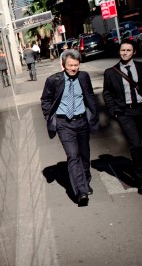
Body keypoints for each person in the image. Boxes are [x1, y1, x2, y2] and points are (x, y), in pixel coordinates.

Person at [40, 48, 99, 206]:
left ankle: (85, 181)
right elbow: (45, 100)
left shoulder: (84, 77)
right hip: (64, 123)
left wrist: (93, 114)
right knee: (73, 156)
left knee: (84, 154)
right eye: (70, 65)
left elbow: (90, 96)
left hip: (82, 122)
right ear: (63, 65)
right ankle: (80, 191)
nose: (73, 68)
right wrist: (50, 117)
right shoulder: (54, 80)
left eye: (76, 65)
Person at [102, 40, 142, 195]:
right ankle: (141, 179)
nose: (125, 53)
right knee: (136, 144)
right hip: (125, 112)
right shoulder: (111, 72)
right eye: (122, 50)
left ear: (134, 52)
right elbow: (107, 93)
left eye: (128, 50)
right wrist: (113, 110)